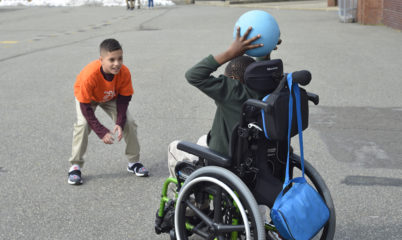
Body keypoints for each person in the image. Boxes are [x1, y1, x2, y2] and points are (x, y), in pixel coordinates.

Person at [167, 26, 269, 178]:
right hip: (256, 157)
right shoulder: (269, 89)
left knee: (174, 147)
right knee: (203, 139)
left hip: (225, 160)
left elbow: (193, 75)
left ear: (233, 79)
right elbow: (264, 73)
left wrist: (230, 53)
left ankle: (182, 194)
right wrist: (265, 51)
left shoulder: (233, 91)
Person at [68, 38, 148, 185]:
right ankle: (75, 166)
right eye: (111, 60)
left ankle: (134, 162)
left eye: (120, 58)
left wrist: (119, 122)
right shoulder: (89, 75)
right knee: (83, 125)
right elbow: (85, 108)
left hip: (111, 97)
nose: (117, 63)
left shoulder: (124, 72)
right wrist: (101, 131)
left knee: (129, 122)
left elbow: (124, 99)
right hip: (88, 99)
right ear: (101, 60)